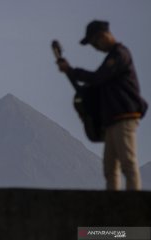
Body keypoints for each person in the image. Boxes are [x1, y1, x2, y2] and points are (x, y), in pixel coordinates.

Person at [56, 20, 148, 190]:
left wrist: (72, 71)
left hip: (124, 118)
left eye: (94, 43)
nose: (95, 48)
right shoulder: (113, 58)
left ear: (103, 36)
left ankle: (134, 205)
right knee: (110, 168)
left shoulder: (120, 55)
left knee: (128, 163)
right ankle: (114, 207)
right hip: (112, 121)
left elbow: (98, 78)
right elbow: (97, 83)